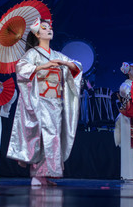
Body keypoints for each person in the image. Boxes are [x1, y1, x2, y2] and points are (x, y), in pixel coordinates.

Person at [7, 17, 82, 186]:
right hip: (40, 100)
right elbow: (22, 68)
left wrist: (64, 63)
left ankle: (44, 175)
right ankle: (37, 175)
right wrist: (42, 66)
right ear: (37, 34)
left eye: (50, 27)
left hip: (55, 102)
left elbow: (77, 66)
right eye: (44, 28)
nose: (49, 30)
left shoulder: (57, 54)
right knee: (42, 136)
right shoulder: (32, 53)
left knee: (53, 138)